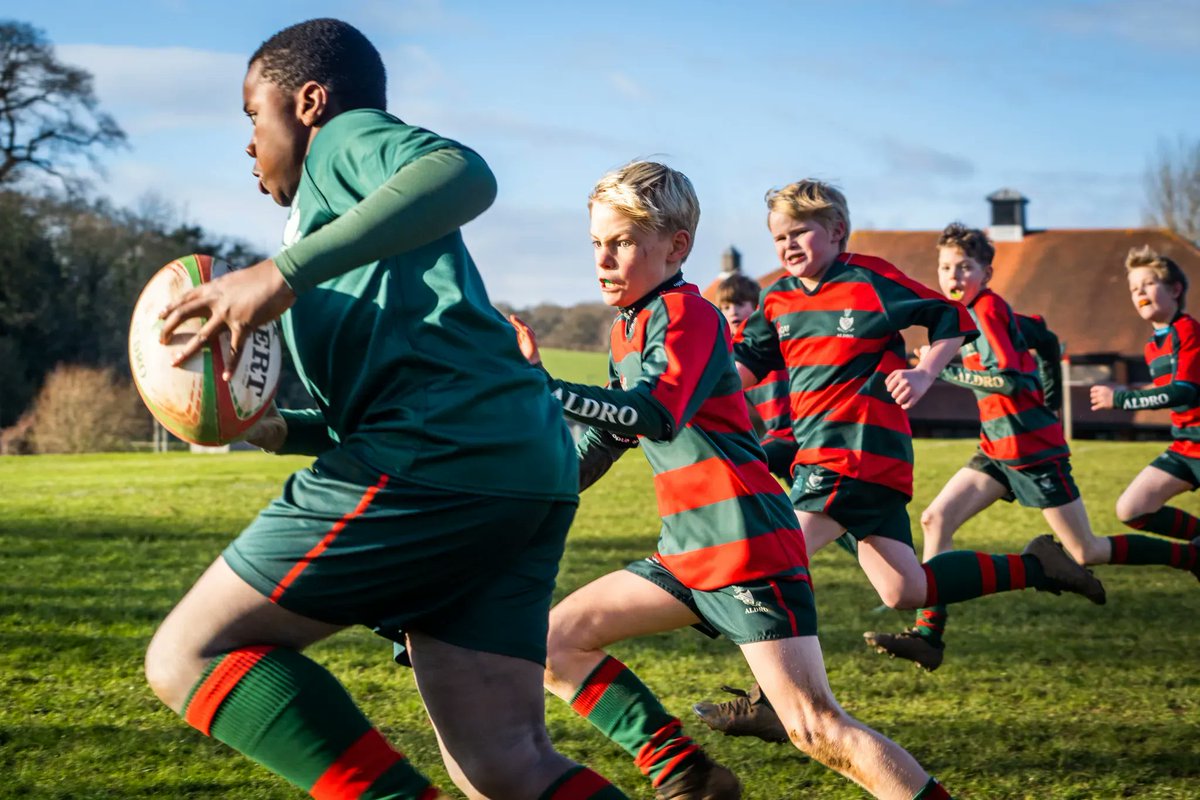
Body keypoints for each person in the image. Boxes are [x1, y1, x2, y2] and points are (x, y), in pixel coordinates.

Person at [145, 18, 627, 800]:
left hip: (441, 457)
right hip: (514, 464)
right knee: (506, 765)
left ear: (307, 102)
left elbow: (464, 173)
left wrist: (283, 273)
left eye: (250, 117)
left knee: (188, 655)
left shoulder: (342, 142)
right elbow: (381, 396)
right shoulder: (344, 227)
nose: (246, 143)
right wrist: (280, 429)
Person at [511, 161, 960, 800]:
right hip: (690, 549)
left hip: (747, 545)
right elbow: (611, 435)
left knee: (814, 727)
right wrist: (531, 493)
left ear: (676, 246)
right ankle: (687, 776)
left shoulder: (687, 316)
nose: (604, 259)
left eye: (622, 243)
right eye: (596, 243)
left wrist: (548, 386)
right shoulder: (624, 329)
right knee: (558, 643)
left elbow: (656, 413)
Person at [694, 188, 1106, 735]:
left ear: (837, 230)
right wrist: (691, 403)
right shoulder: (778, 300)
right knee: (903, 590)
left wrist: (924, 372)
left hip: (858, 451)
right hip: (835, 460)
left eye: (800, 232)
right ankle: (1039, 566)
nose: (788, 245)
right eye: (778, 237)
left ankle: (771, 698)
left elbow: (952, 318)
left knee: (776, 555)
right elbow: (745, 363)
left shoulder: (870, 279)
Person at [1092, 246, 1200, 550]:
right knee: (1131, 509)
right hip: (1186, 446)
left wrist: (1122, 399)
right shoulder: (1153, 346)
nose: (1140, 292)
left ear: (1175, 289)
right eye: (1133, 288)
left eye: (1148, 284)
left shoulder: (1188, 330)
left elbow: (1183, 391)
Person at [714, 273, 798, 481]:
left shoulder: (768, 347)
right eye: (725, 307)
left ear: (756, 306)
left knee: (732, 470)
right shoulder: (731, 354)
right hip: (777, 439)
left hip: (791, 437)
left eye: (740, 304)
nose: (732, 312)